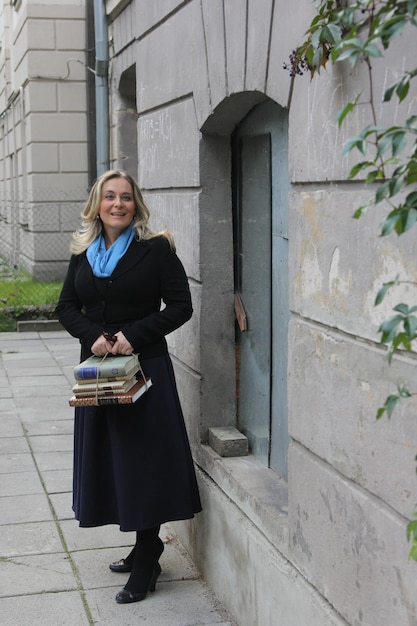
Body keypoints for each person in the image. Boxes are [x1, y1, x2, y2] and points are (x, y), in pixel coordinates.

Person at [56, 169, 202, 604]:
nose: (117, 204)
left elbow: (181, 306)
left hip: (145, 369)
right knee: (112, 461)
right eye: (109, 196)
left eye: (125, 197)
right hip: (100, 370)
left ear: (135, 204)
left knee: (143, 462)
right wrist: (93, 334)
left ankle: (146, 558)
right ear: (96, 204)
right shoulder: (83, 251)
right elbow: (65, 305)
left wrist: (132, 334)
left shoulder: (155, 250)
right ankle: (145, 546)